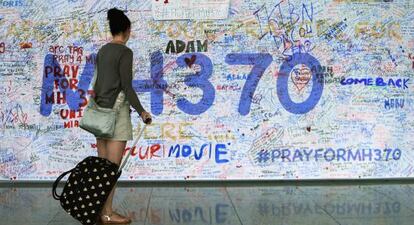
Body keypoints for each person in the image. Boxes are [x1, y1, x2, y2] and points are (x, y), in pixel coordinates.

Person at [93, 7, 152, 224]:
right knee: (111, 170)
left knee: (102, 169)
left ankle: (101, 211)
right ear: (126, 30)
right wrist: (142, 111)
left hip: (100, 114)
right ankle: (107, 214)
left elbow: (99, 84)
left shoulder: (102, 51)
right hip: (117, 116)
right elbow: (127, 87)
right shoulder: (125, 52)